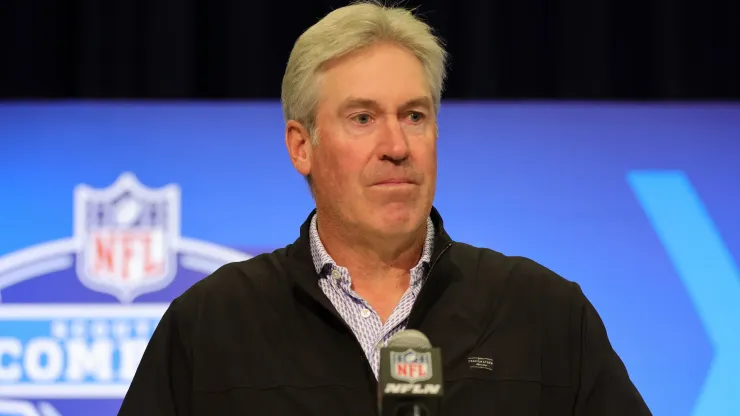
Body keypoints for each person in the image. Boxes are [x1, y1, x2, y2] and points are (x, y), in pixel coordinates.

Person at [118, 1, 651, 415]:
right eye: (363, 118)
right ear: (302, 146)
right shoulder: (212, 324)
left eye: (414, 116)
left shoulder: (545, 315)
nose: (397, 145)